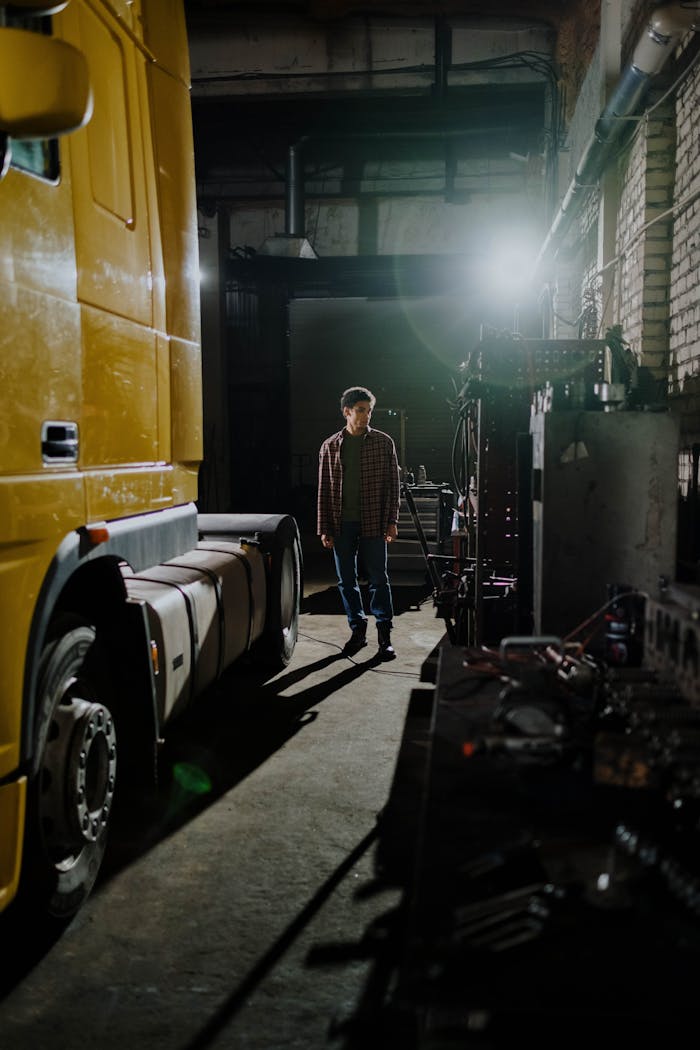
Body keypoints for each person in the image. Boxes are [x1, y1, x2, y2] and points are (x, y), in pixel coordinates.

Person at [317, 386, 400, 660]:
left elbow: (393, 485)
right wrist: (324, 527)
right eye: (361, 410)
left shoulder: (383, 442)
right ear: (347, 412)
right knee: (347, 581)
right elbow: (324, 490)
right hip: (342, 524)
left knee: (379, 578)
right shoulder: (329, 446)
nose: (367, 416)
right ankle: (357, 631)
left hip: (374, 520)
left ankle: (384, 636)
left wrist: (392, 521)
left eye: (369, 411)